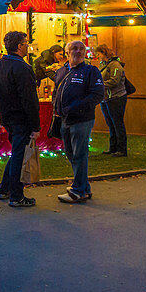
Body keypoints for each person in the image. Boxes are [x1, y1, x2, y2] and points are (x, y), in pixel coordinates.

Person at [0, 31, 39, 207]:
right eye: (25, 43)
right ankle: (16, 195)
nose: (27, 46)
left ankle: (4, 188)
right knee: (19, 155)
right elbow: (29, 99)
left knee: (16, 152)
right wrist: (35, 125)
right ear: (19, 46)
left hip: (7, 117)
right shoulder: (23, 68)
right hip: (21, 118)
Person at [54, 40, 105, 204]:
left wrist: (76, 107)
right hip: (64, 120)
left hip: (82, 120)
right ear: (67, 52)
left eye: (81, 48)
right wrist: (57, 108)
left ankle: (77, 190)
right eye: (74, 48)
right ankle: (84, 188)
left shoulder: (91, 71)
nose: (78, 51)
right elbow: (56, 91)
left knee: (79, 154)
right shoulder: (61, 71)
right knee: (70, 153)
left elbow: (97, 95)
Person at [95, 44, 128, 157]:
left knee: (117, 123)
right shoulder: (103, 65)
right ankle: (113, 147)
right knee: (111, 124)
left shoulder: (115, 65)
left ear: (104, 53)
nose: (98, 56)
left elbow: (115, 80)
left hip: (116, 97)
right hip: (106, 98)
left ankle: (122, 149)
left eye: (99, 54)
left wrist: (100, 85)